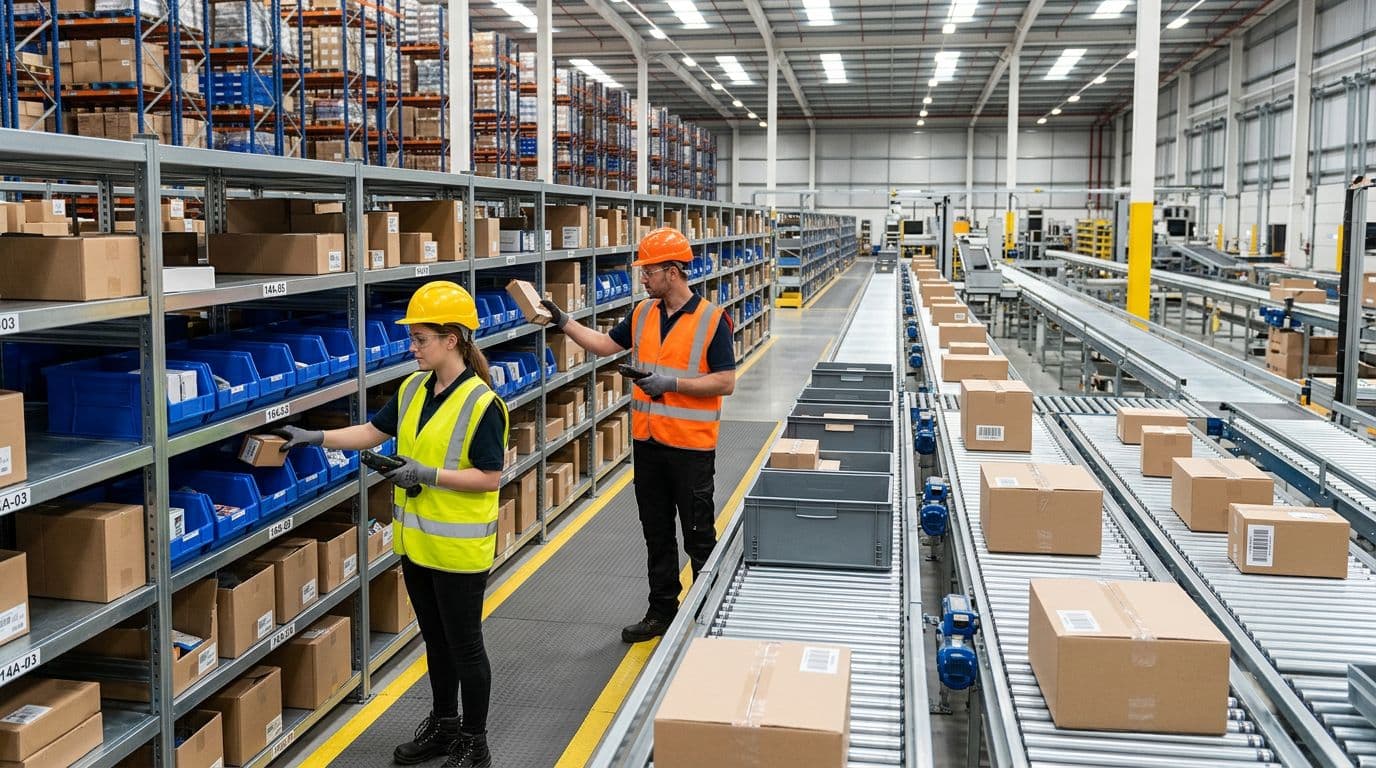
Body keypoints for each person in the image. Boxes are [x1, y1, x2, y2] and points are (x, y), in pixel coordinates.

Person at [276, 281, 506, 768]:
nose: (412, 346)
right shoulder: (412, 388)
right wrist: (316, 436)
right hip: (418, 545)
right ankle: (445, 727)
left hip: (460, 552)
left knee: (465, 647)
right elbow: (372, 432)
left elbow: (489, 477)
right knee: (436, 642)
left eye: (420, 338)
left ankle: (475, 740)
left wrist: (426, 474)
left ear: (452, 339)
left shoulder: (484, 404)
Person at [541, 227, 736, 643]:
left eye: (648, 271)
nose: (642, 279)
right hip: (648, 445)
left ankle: (708, 615)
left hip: (691, 448)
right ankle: (662, 610)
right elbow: (603, 346)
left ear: (672, 271)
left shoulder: (712, 320)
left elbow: (725, 382)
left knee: (699, 535)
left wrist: (671, 385)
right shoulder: (643, 313)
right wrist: (561, 320)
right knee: (657, 531)